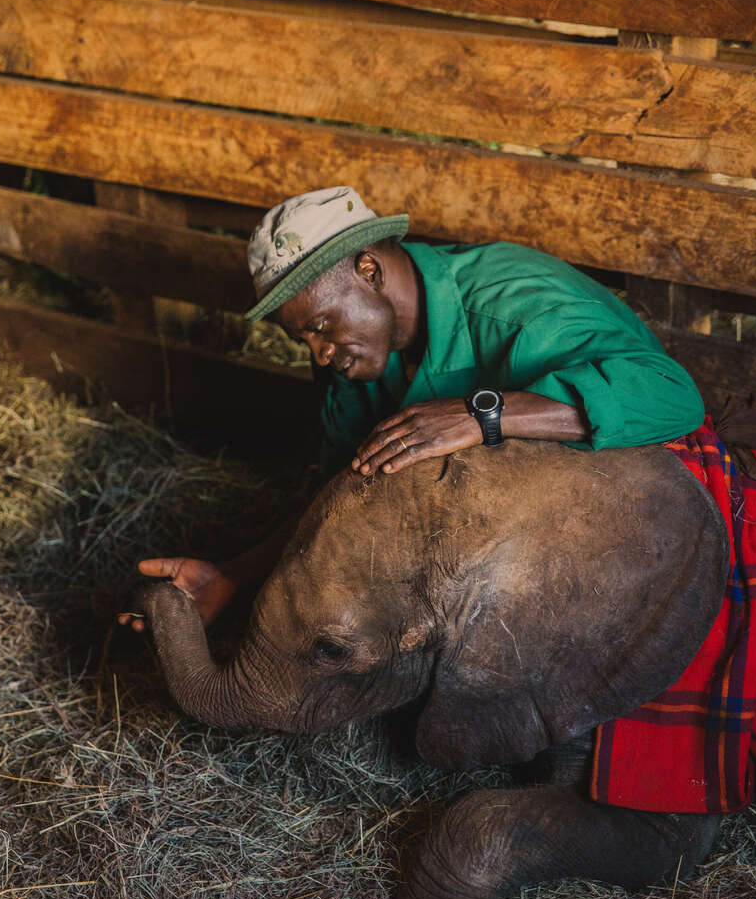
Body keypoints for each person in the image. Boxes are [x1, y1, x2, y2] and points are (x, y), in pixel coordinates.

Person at [119, 185, 704, 633]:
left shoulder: (516, 305)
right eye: (303, 340)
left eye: (320, 326)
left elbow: (674, 396)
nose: (319, 354)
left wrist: (481, 415)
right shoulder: (357, 361)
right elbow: (343, 491)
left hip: (644, 505)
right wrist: (235, 577)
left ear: (369, 271)